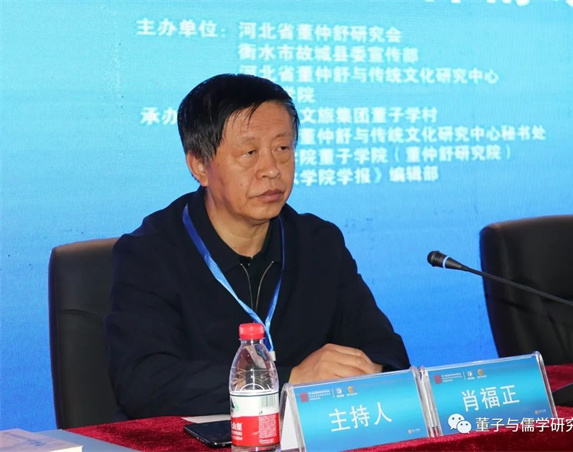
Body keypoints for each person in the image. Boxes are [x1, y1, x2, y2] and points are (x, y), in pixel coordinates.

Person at [105, 73, 410, 419]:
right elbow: (144, 382)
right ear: (200, 166)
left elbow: (386, 352)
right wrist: (288, 380)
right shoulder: (150, 254)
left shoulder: (319, 243)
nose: (271, 170)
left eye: (283, 149)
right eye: (249, 153)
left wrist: (371, 373)